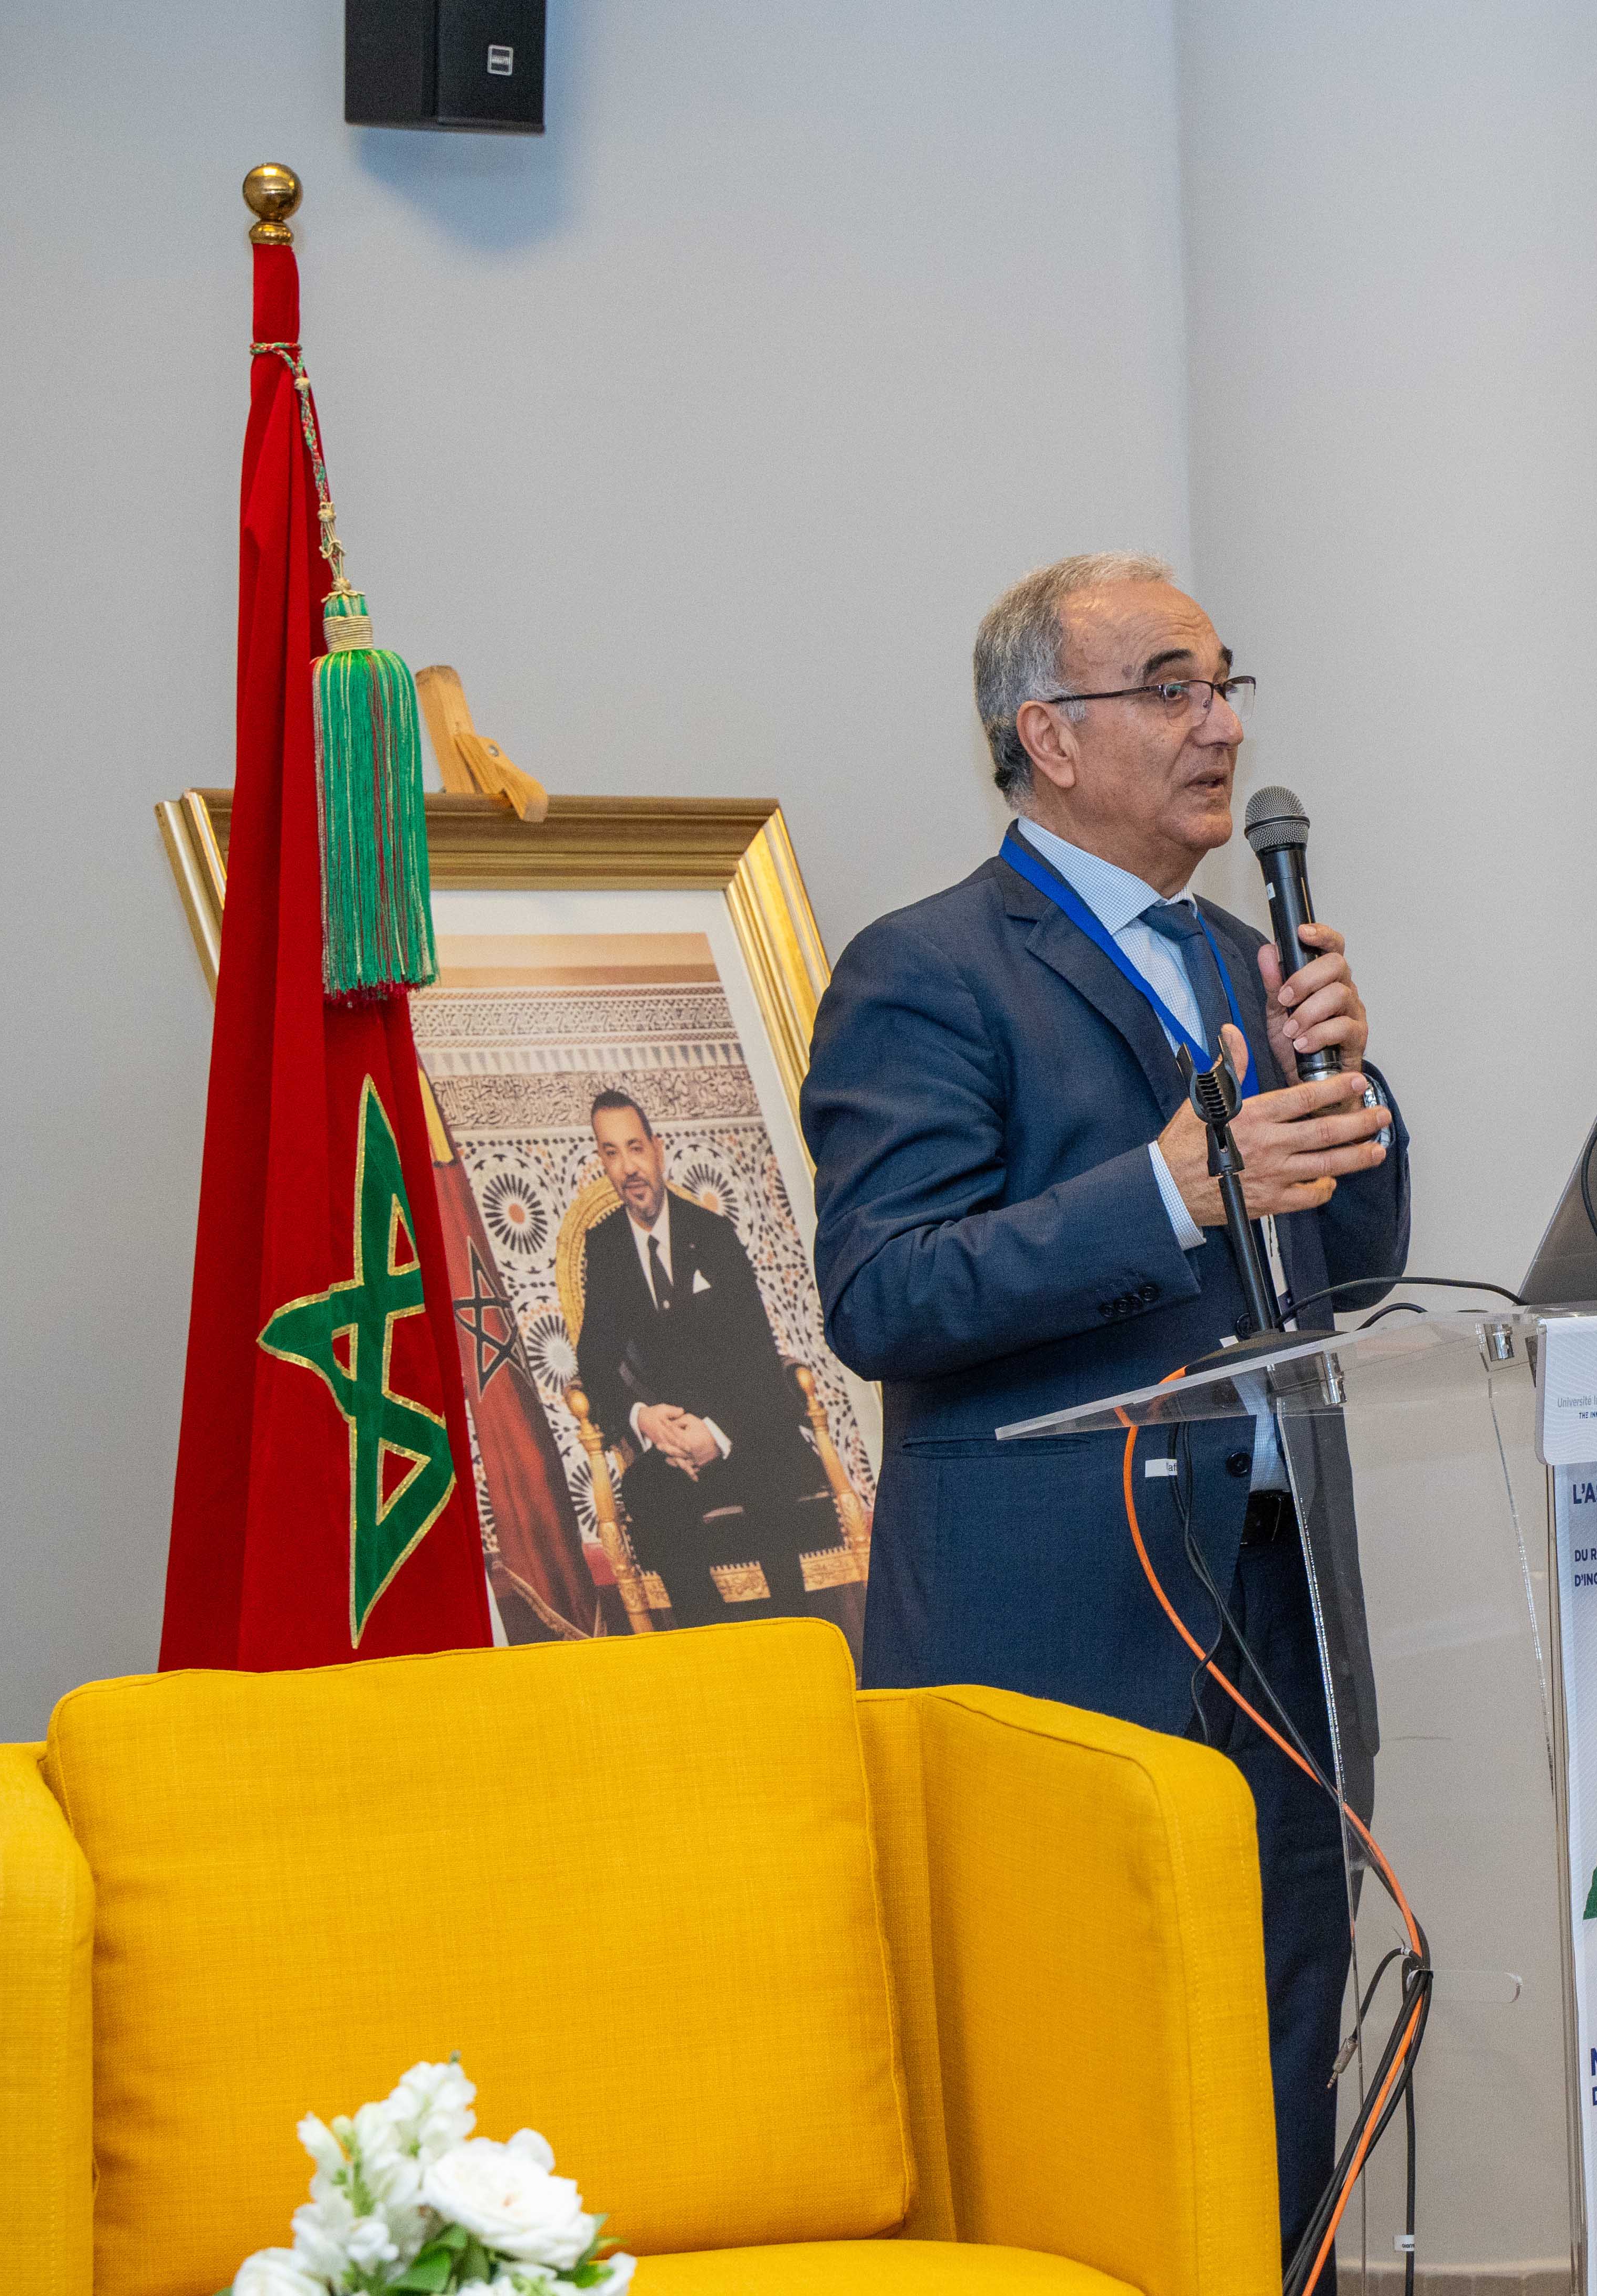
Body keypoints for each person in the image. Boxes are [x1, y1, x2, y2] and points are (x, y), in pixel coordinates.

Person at [802, 551, 1408, 2279]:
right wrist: (1164, 1192)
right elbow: (882, 1292)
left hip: (1274, 1590)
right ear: (1046, 736)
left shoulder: (1239, 957)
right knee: (1072, 2067)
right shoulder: (925, 970)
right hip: (1058, 1617)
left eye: (1223, 684)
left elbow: (1355, 1265)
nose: (1218, 725)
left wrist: (1346, 1088)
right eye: (1167, 687)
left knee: (1284, 2026)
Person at [573, 1089, 847, 1632]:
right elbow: (595, 1361)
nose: (628, 1167)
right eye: (612, 1153)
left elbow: (758, 1355)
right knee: (646, 1492)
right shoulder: (605, 1247)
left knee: (769, 1480)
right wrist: (645, 1420)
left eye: (635, 1148)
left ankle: (793, 1639)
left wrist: (716, 1434)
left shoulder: (712, 1234)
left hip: (742, 1429)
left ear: (658, 1149)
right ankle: (716, 1644)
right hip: (671, 1446)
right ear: (602, 1161)